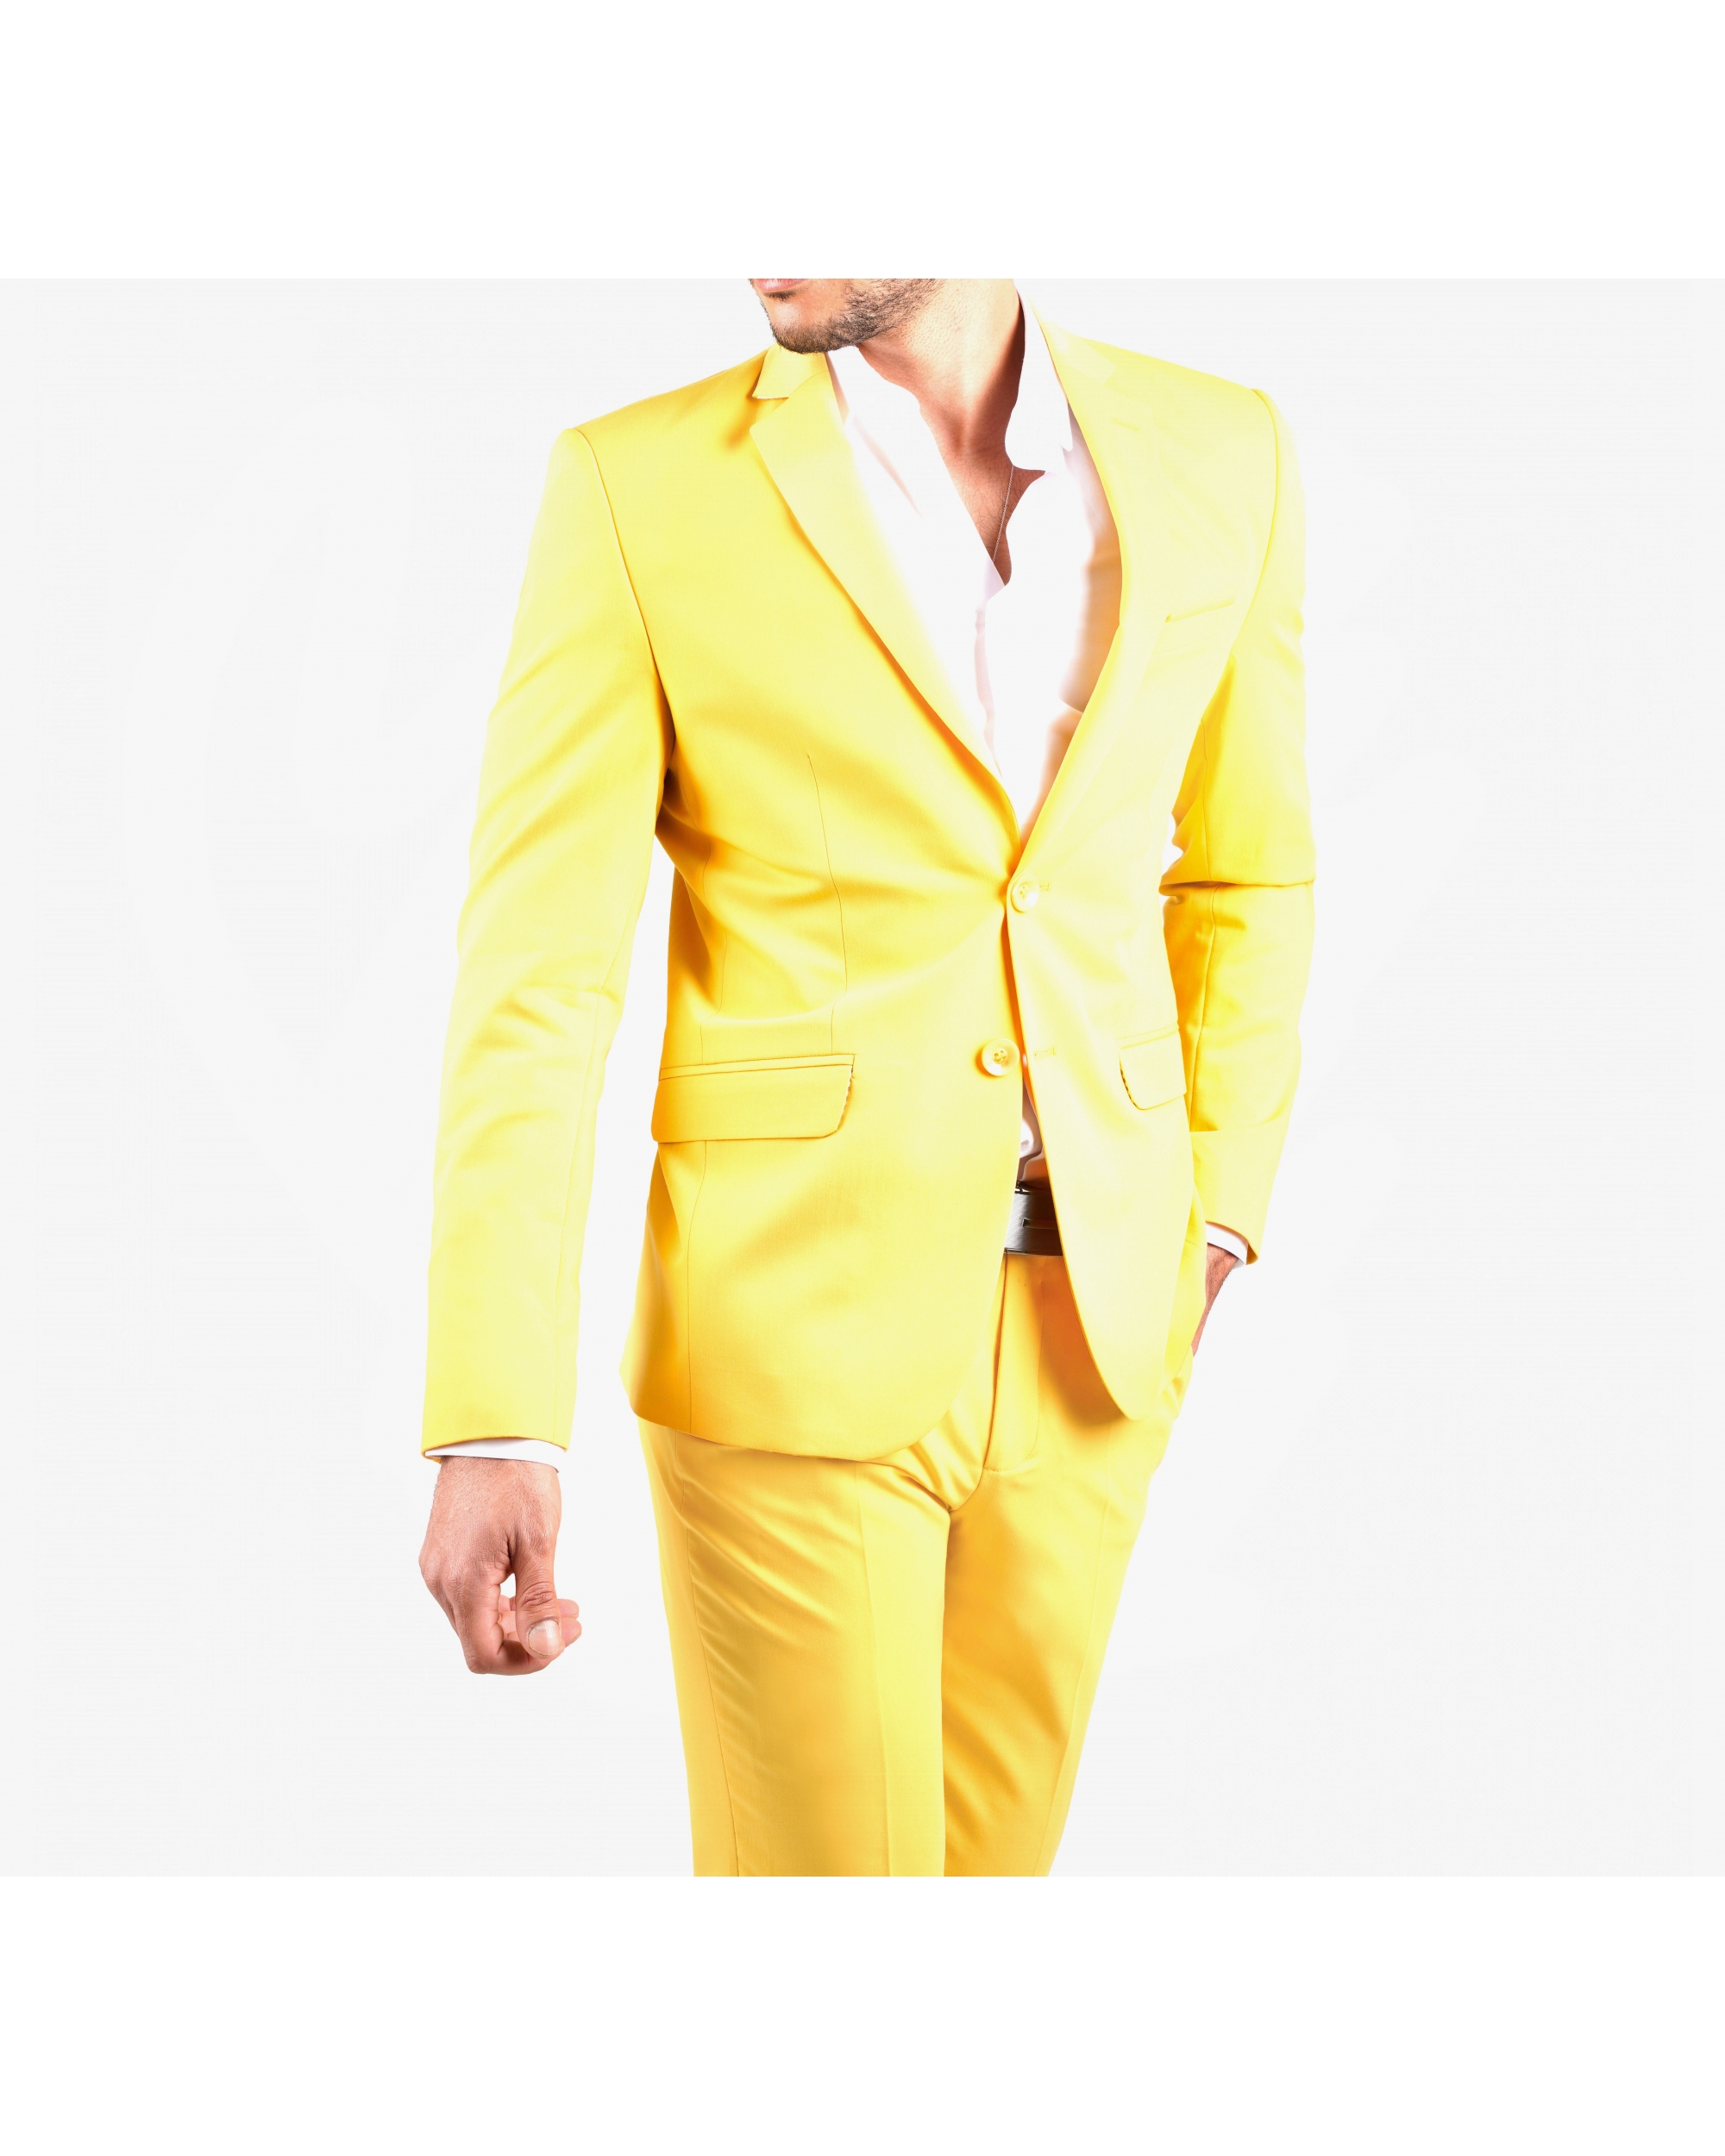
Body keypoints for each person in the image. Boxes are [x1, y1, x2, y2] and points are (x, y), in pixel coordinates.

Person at [417, 279, 1314, 1874]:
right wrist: (497, 1419)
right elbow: (539, 979)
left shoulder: (1222, 449)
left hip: (1098, 1336)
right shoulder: (635, 488)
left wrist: (1219, 1218)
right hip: (789, 1327)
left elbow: (1249, 873)